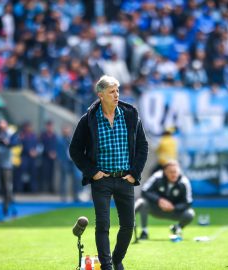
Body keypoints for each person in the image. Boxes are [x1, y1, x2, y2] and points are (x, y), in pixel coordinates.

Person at [69, 75, 148, 270]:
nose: (116, 95)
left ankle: (117, 259)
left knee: (128, 225)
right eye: (112, 92)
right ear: (101, 95)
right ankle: (106, 266)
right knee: (103, 225)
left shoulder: (130, 114)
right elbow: (75, 149)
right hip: (101, 180)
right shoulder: (89, 119)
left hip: (125, 179)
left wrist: (134, 174)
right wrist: (92, 171)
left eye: (117, 91)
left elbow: (143, 146)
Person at [135, 160, 195, 240]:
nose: (174, 174)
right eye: (170, 172)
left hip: (174, 211)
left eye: (175, 172)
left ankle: (176, 228)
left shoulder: (184, 182)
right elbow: (144, 191)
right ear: (165, 172)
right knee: (141, 202)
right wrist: (159, 200)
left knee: (190, 214)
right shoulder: (157, 176)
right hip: (156, 208)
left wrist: (174, 207)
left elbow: (188, 202)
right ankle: (143, 231)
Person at [57, 125, 82, 202]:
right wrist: (61, 161)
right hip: (64, 162)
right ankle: (63, 197)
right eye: (65, 130)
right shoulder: (60, 140)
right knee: (63, 180)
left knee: (77, 178)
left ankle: (76, 196)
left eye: (68, 130)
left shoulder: (72, 139)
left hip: (73, 162)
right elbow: (59, 152)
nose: (67, 131)